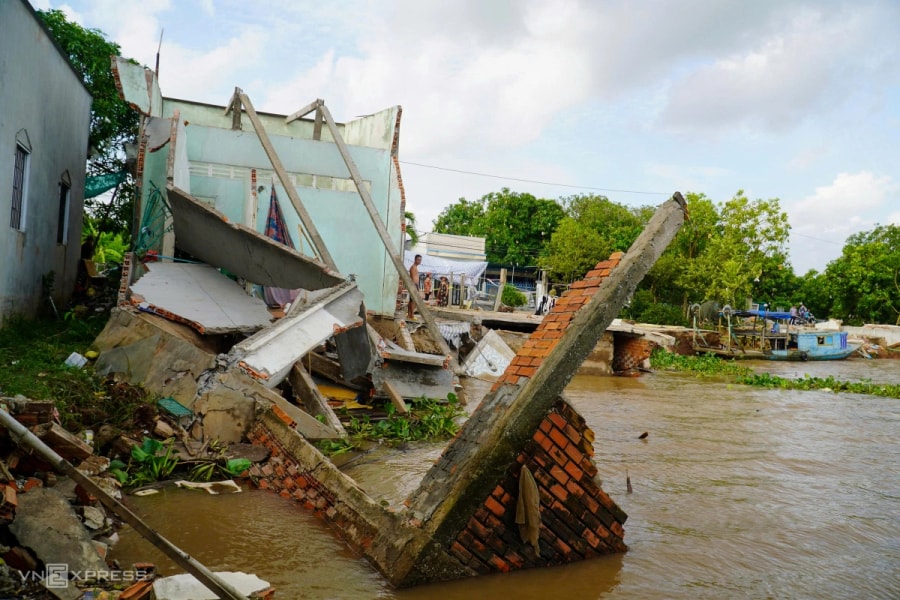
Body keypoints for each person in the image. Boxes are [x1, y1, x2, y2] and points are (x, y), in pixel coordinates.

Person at [407, 254, 422, 319]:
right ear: (415, 260)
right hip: (414, 285)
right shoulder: (413, 267)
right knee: (413, 301)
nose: (419, 261)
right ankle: (411, 315)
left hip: (415, 285)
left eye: (420, 260)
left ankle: (409, 314)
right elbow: (413, 278)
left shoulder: (415, 267)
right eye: (418, 260)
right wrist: (416, 287)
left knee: (411, 300)